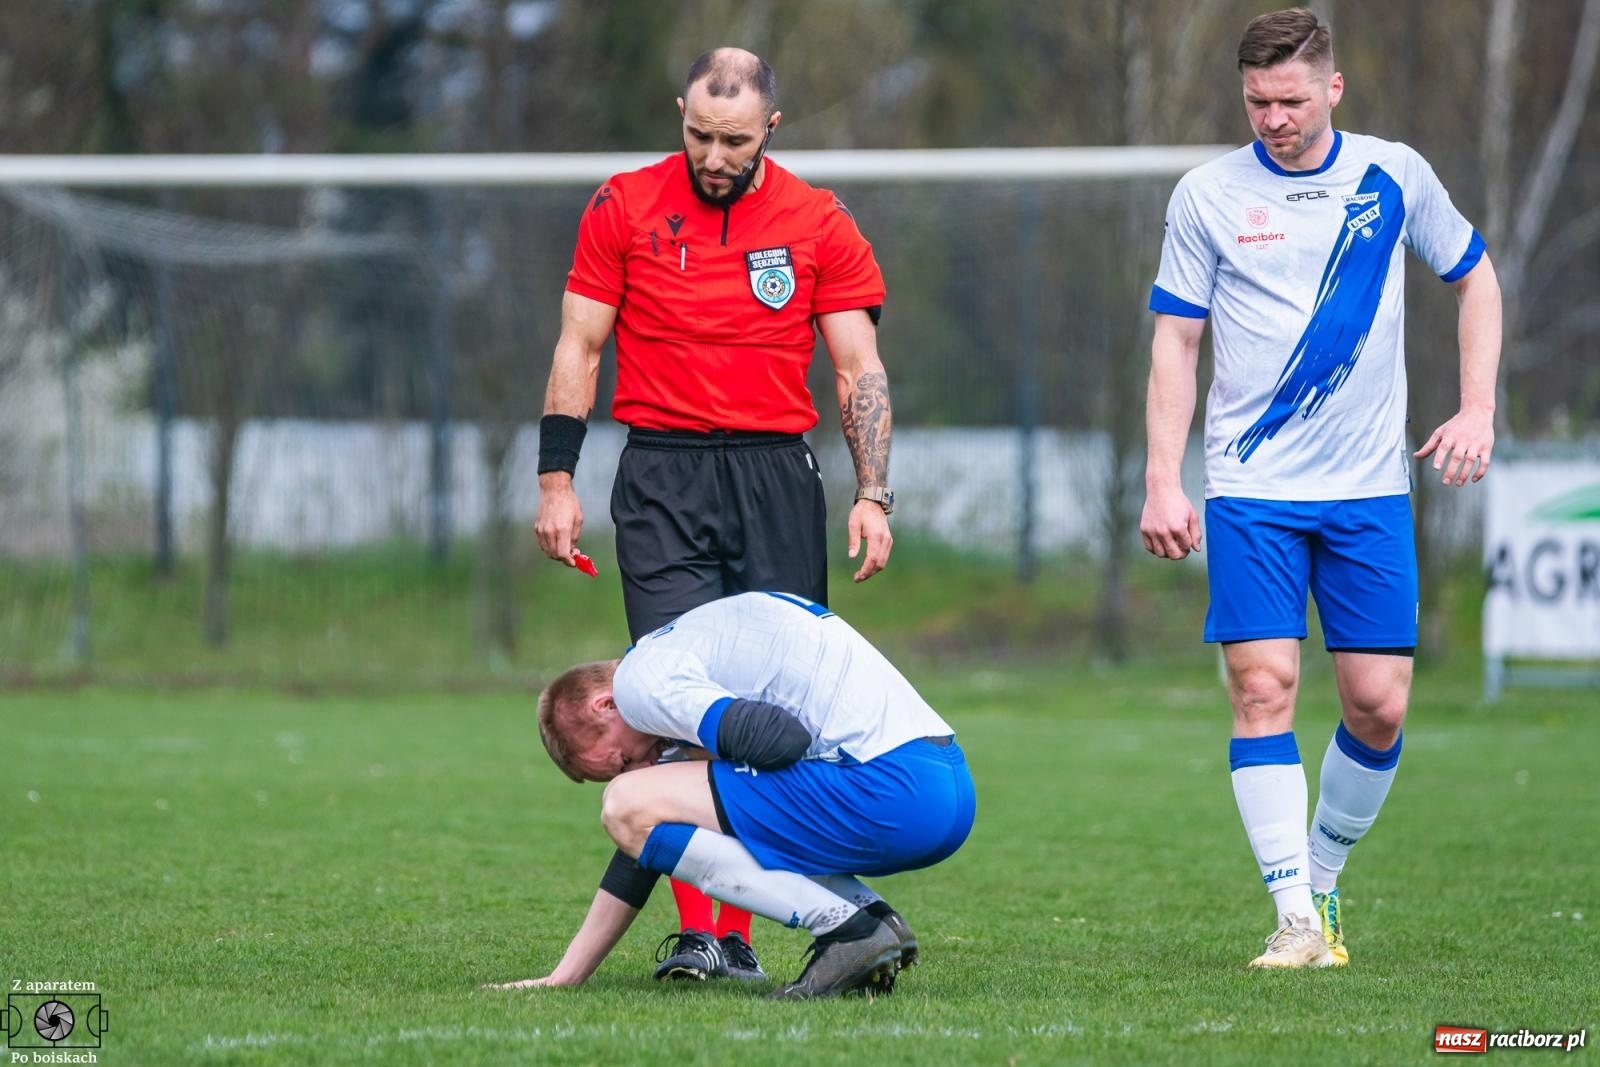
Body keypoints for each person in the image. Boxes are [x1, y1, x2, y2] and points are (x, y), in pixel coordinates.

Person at [1140, 8, 1501, 969]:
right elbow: (1176, 340)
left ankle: (1322, 874)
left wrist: (1477, 408)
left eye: (1292, 100)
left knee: (1378, 704)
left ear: (1332, 88)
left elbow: (1476, 279)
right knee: (1263, 685)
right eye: (1257, 101)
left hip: (1369, 490)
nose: (1274, 119)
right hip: (1251, 487)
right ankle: (1295, 917)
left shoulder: (1394, 175)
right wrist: (1163, 479)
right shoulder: (1207, 194)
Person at [533, 47, 897, 983]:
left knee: (775, 713)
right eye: (699, 134)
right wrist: (556, 479)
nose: (713, 155)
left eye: (734, 140)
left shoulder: (818, 220)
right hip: (661, 476)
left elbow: (857, 367)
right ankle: (707, 937)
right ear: (680, 115)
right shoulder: (622, 205)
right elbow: (579, 344)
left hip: (776, 474)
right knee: (678, 700)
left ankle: (770, 923)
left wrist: (872, 492)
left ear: (769, 128)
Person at [484, 591, 976, 1000]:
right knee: (659, 803)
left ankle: (847, 928)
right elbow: (647, 845)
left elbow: (781, 740)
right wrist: (566, 976)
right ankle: (874, 919)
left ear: (605, 704)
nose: (640, 768)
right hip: (940, 783)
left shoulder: (640, 684)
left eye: (621, 760)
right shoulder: (678, 647)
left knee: (624, 802)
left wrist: (695, 759)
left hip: (890, 788)